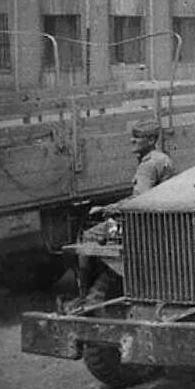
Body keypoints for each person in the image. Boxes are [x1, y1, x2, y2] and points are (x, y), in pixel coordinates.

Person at [73, 119, 175, 308]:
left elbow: (139, 201)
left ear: (152, 140)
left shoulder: (148, 165)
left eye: (137, 137)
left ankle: (84, 294)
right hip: (158, 220)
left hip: (141, 223)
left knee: (87, 237)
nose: (132, 140)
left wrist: (109, 208)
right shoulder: (161, 158)